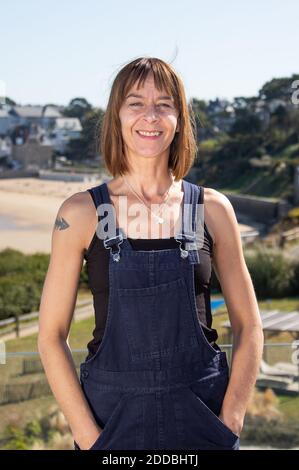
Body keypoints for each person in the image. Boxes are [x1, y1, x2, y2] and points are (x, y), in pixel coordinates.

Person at [38, 57, 264, 450]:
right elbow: (50, 336)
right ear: (117, 116)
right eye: (135, 103)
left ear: (179, 118)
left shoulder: (212, 209)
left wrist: (231, 419)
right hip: (111, 427)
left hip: (203, 423)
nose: (150, 116)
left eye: (164, 104)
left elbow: (250, 327)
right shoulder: (79, 214)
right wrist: (89, 437)